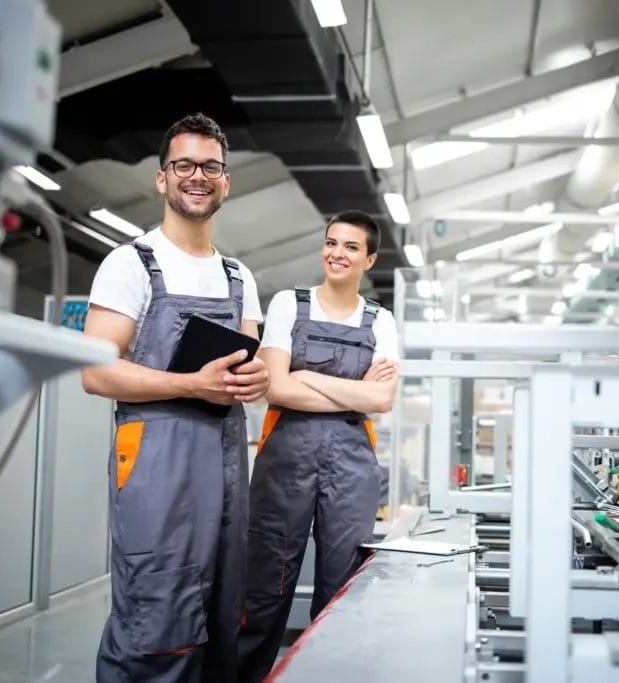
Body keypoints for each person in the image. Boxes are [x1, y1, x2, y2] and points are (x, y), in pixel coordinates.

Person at [81, 112, 268, 683]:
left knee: (222, 612)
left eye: (211, 167)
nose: (198, 176)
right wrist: (190, 384)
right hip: (156, 458)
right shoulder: (130, 263)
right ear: (162, 177)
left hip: (226, 460)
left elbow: (250, 365)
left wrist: (255, 382)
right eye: (184, 165)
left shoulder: (239, 276)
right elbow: (95, 371)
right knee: (156, 617)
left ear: (226, 181)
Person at [238, 210, 399, 682]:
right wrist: (353, 390)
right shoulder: (289, 304)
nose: (337, 253)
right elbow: (277, 389)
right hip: (285, 462)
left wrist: (306, 376)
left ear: (369, 259)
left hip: (351, 467)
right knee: (264, 592)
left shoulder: (381, 319)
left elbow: (381, 399)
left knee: (340, 593)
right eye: (331, 243)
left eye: (351, 247)